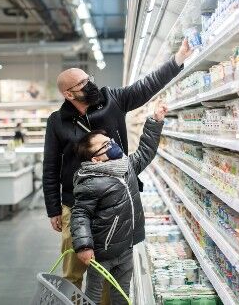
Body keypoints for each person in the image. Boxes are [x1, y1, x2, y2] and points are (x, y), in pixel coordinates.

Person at [43, 39, 192, 303]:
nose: (90, 85)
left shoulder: (112, 99)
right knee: (73, 271)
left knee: (106, 273)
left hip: (114, 204)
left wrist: (178, 58)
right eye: (82, 84)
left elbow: (145, 87)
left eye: (89, 79)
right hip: (75, 204)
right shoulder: (58, 121)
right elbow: (51, 165)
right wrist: (54, 208)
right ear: (68, 94)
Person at [70, 101, 168, 305]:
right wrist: (83, 246)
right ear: (95, 159)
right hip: (102, 252)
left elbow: (145, 152)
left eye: (110, 141)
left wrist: (155, 121)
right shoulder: (89, 181)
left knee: (122, 295)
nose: (112, 145)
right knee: (94, 295)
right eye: (105, 146)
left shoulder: (125, 166)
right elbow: (80, 214)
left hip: (126, 247)